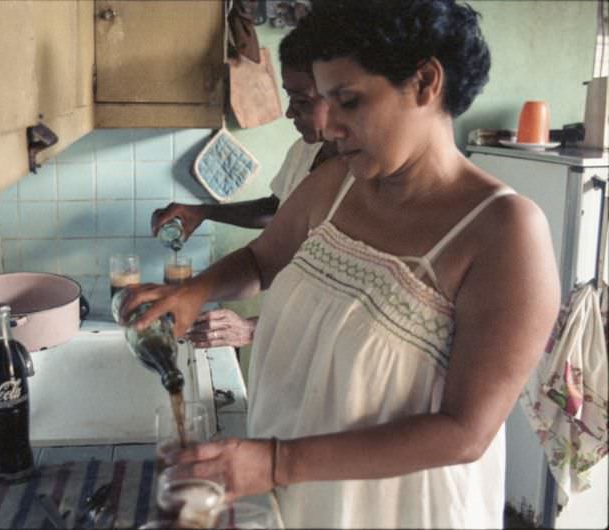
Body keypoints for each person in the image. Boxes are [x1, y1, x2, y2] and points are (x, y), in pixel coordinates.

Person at [121, 1, 561, 528]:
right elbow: (262, 260)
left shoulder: (504, 234)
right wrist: (195, 291)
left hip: (396, 511)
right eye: (323, 100)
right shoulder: (336, 184)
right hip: (295, 498)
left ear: (425, 81)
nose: (326, 126)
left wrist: (279, 461)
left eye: (347, 101)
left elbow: (465, 432)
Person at [151, 27, 337, 349]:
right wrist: (203, 212)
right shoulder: (305, 150)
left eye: (303, 101)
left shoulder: (370, 185)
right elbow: (274, 217)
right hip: (285, 332)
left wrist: (251, 329)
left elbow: (341, 311)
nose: (290, 112)